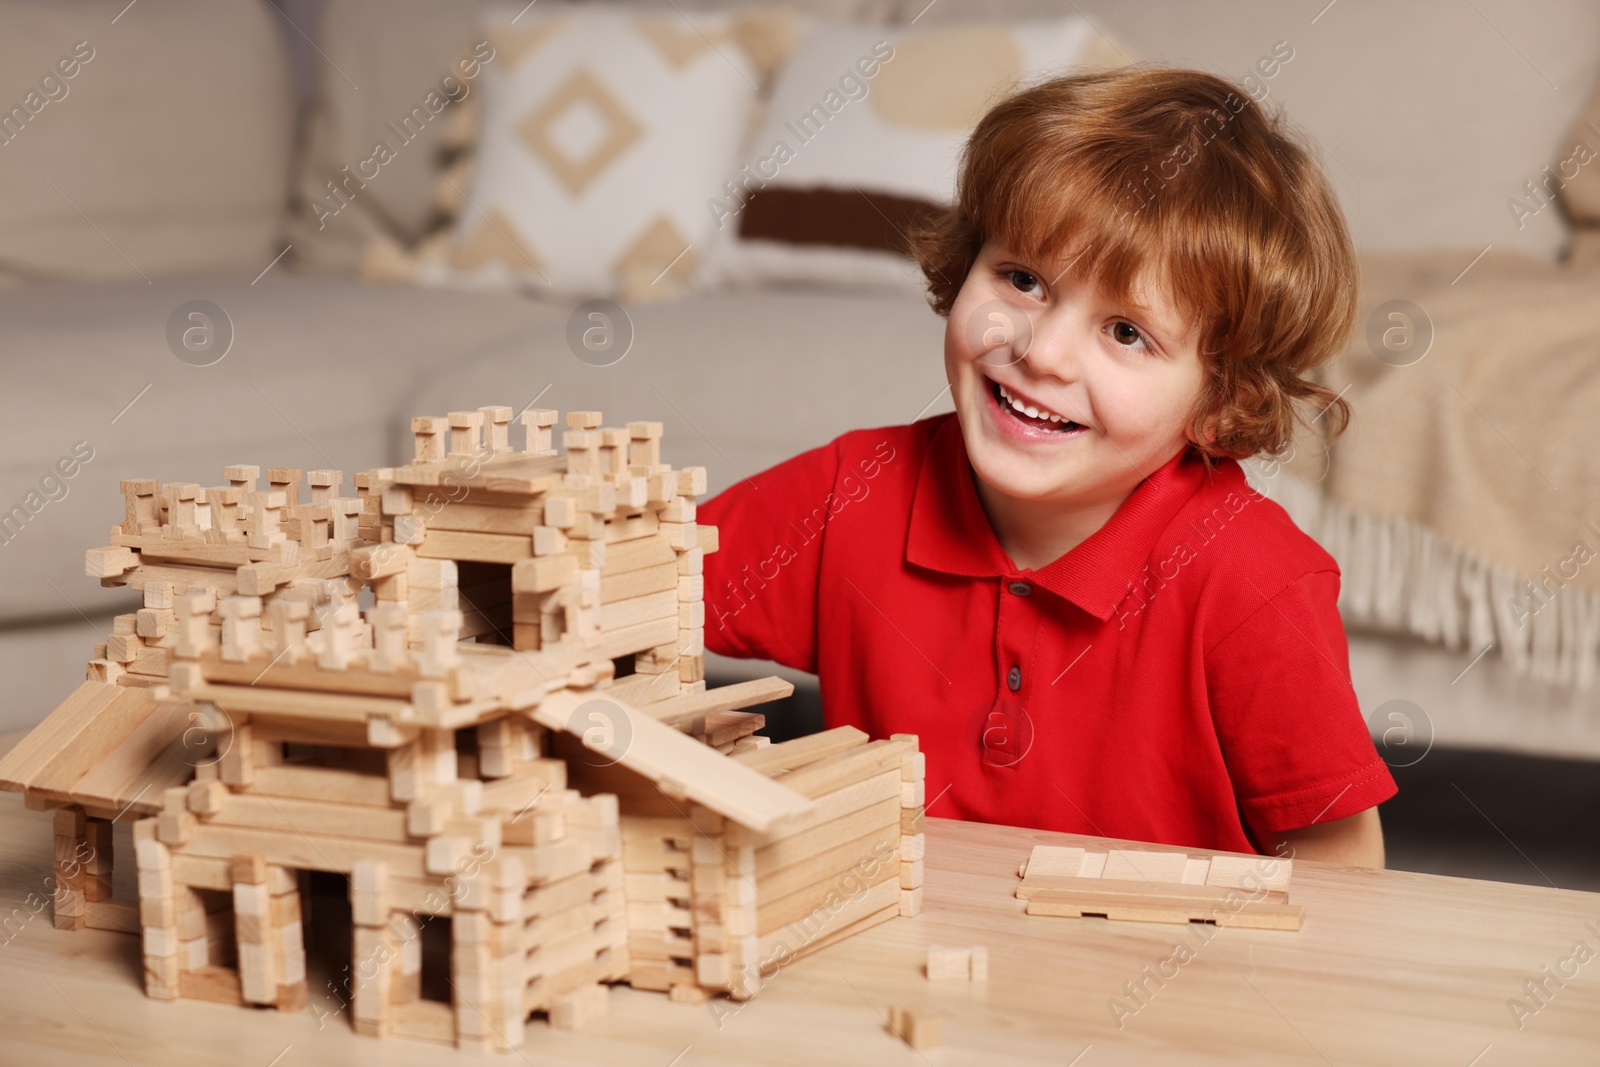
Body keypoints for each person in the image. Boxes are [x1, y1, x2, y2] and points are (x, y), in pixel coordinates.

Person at [698, 67, 1394, 866]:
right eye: (1023, 279)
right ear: (965, 266)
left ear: (1221, 398)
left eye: (1127, 332)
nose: (1042, 351)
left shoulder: (1252, 581)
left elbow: (1341, 869)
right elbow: (630, 582)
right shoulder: (851, 491)